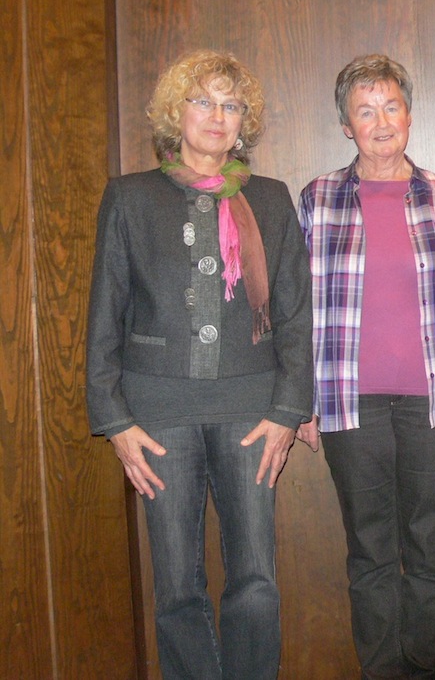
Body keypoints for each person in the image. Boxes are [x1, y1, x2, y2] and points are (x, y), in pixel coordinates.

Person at [86, 50, 313, 680]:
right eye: (203, 101)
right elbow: (105, 314)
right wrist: (114, 419)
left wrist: (288, 411)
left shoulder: (270, 199)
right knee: (176, 585)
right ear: (175, 112)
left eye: (231, 105)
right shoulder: (130, 197)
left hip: (252, 413)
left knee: (256, 578)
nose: (217, 115)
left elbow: (296, 314)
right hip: (157, 417)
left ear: (244, 122)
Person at [298, 54, 435, 679]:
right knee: (369, 552)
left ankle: (429, 669)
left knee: (429, 548)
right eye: (365, 112)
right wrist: (301, 402)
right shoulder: (317, 198)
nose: (382, 121)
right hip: (349, 402)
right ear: (347, 126)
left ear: (410, 115)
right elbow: (296, 308)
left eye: (391, 106)